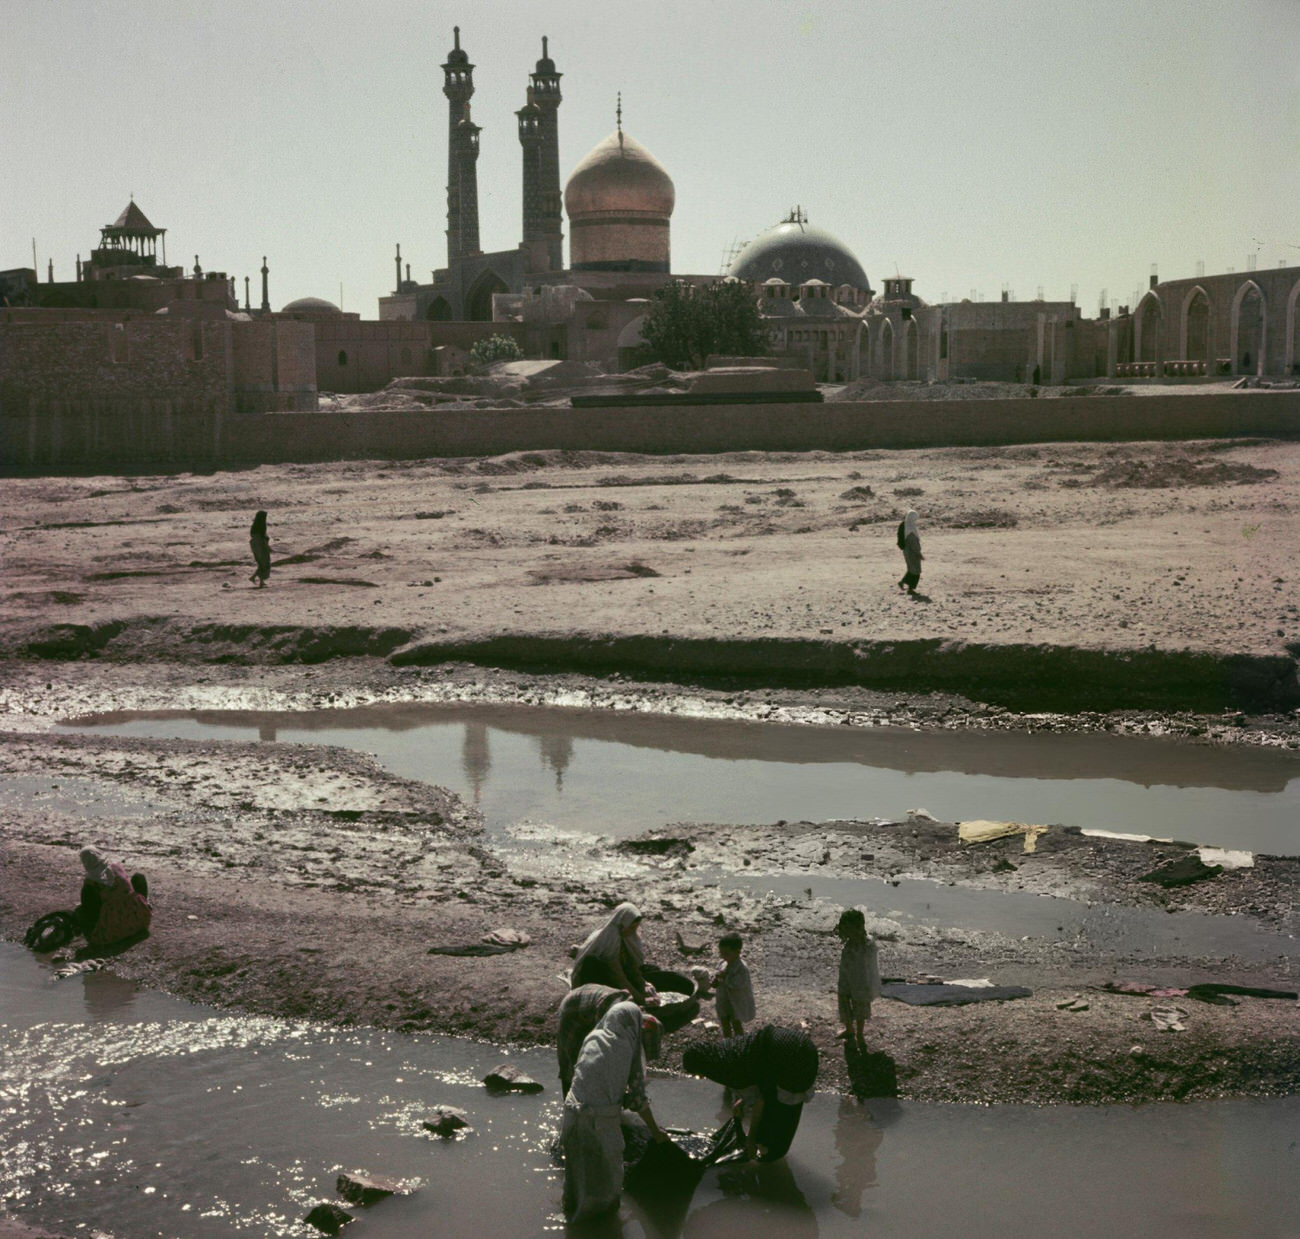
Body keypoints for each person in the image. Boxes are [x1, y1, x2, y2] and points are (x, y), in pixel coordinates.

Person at [560, 1000, 669, 1221]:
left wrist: (618, 1095)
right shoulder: (626, 1045)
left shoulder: (593, 1037)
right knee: (607, 1177)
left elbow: (589, 1076)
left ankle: (572, 1216)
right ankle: (602, 1226)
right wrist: (656, 1132)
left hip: (572, 1112)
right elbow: (638, 1100)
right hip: (599, 1121)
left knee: (577, 1171)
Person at [681, 1024, 818, 1162]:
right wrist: (743, 1100)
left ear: (703, 1067)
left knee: (784, 1114)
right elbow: (755, 1071)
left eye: (698, 1075)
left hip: (794, 1060)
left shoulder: (725, 1070)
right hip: (803, 1046)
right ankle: (772, 1151)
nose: (702, 1078)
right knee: (777, 1108)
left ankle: (773, 1155)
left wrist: (751, 1139)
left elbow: (760, 1101)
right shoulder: (724, 1051)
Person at [570, 903, 654, 1002]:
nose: (633, 931)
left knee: (651, 971)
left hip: (616, 975)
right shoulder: (608, 939)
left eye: (635, 928)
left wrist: (643, 983)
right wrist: (640, 999)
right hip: (599, 977)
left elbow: (631, 965)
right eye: (631, 928)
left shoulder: (627, 937)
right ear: (622, 924)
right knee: (591, 963)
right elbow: (617, 976)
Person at [557, 983, 631, 1095]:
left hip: (594, 1006)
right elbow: (602, 1056)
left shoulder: (633, 1023)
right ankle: (568, 1106)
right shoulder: (614, 1024)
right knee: (571, 1065)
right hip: (573, 1008)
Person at [75, 847, 151, 951]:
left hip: (113, 931)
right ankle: (146, 905)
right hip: (140, 919)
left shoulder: (91, 883)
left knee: (80, 912)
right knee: (138, 877)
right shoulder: (116, 866)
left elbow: (89, 910)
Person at [836, 908, 880, 1048]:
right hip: (846, 978)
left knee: (860, 1007)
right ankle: (849, 1029)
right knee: (843, 1002)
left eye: (849, 930)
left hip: (861, 981)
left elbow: (872, 964)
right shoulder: (849, 943)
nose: (847, 934)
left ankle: (860, 1034)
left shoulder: (867, 944)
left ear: (858, 928)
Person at [713, 931, 755, 1038]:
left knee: (736, 1023)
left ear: (737, 952)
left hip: (735, 1002)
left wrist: (725, 978)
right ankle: (727, 1044)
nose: (723, 956)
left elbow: (739, 984)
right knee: (724, 1022)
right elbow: (716, 975)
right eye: (721, 953)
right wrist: (714, 979)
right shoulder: (722, 963)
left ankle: (739, 1044)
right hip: (723, 1000)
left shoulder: (742, 968)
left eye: (726, 953)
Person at [897, 509, 923, 595]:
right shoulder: (911, 529)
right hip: (912, 552)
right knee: (916, 570)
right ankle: (911, 589)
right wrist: (919, 553)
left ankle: (903, 582)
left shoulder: (904, 526)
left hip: (906, 551)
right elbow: (913, 543)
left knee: (911, 569)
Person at [249, 510, 271, 588]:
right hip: (261, 547)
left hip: (255, 547)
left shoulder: (254, 528)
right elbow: (263, 539)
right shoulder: (261, 529)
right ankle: (260, 581)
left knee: (261, 563)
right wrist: (268, 547)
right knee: (265, 564)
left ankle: (256, 579)